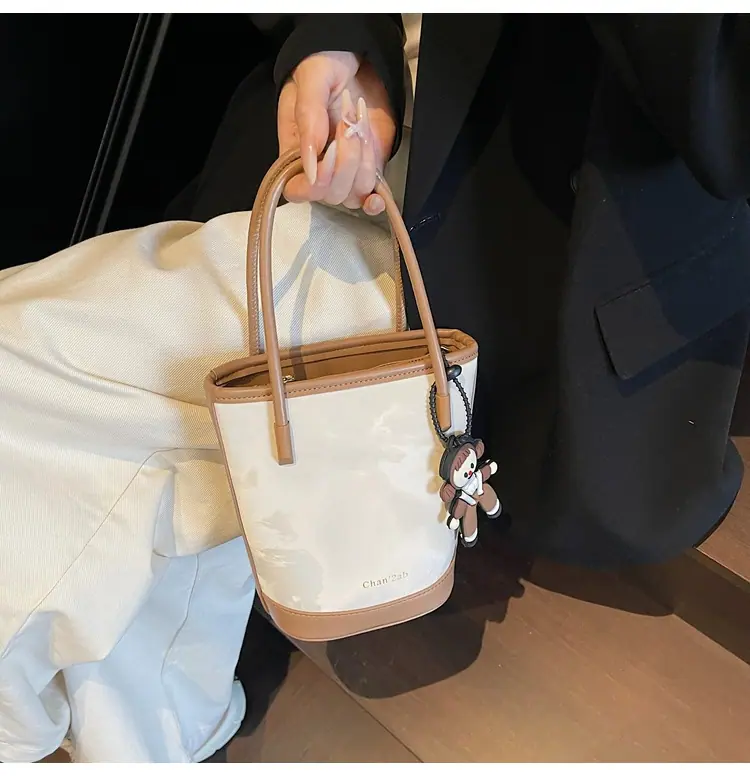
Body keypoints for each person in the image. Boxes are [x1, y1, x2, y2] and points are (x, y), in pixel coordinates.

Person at [170, 13, 750, 568]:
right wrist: (336, 29)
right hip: (311, 148)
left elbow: (725, 97)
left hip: (544, 298)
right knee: (173, 446)